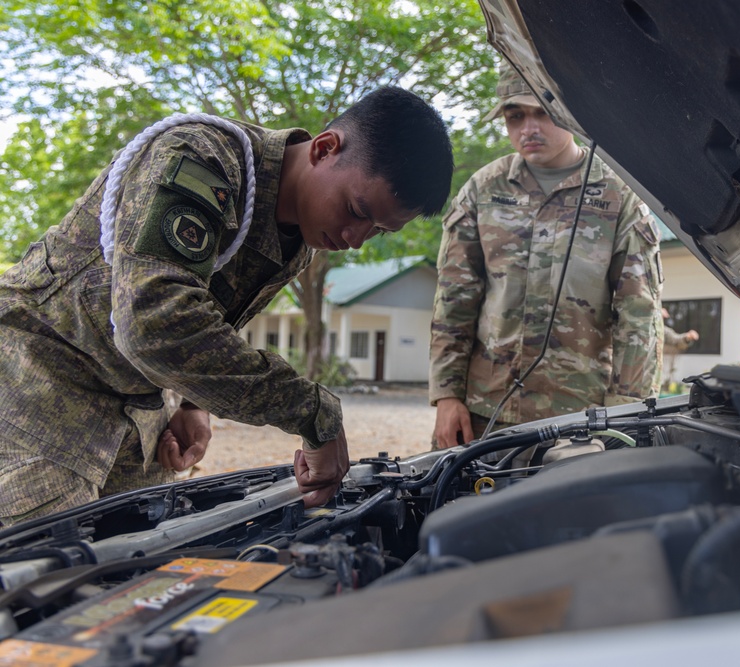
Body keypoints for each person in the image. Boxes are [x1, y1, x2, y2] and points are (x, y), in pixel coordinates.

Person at [0, 86, 454, 525]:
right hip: (38, 384)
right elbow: (153, 324)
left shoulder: (298, 235)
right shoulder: (202, 157)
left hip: (134, 412)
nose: (356, 241)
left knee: (144, 570)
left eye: (378, 230)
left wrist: (193, 403)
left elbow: (206, 319)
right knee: (46, 581)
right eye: (357, 211)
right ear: (324, 149)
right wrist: (313, 411)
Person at [429, 64, 664, 448]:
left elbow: (638, 314)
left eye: (543, 113)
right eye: (515, 116)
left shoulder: (618, 195)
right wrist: (446, 395)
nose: (528, 129)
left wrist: (626, 411)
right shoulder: (483, 189)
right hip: (485, 413)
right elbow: (454, 301)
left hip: (579, 417)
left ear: (570, 113)